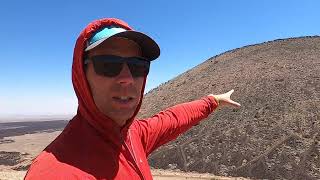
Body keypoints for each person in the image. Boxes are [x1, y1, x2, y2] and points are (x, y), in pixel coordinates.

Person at [24, 18, 240, 180]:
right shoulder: (53, 173)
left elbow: (173, 118)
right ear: (81, 75)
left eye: (138, 66)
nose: (127, 78)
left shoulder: (132, 135)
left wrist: (213, 100)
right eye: (108, 65)